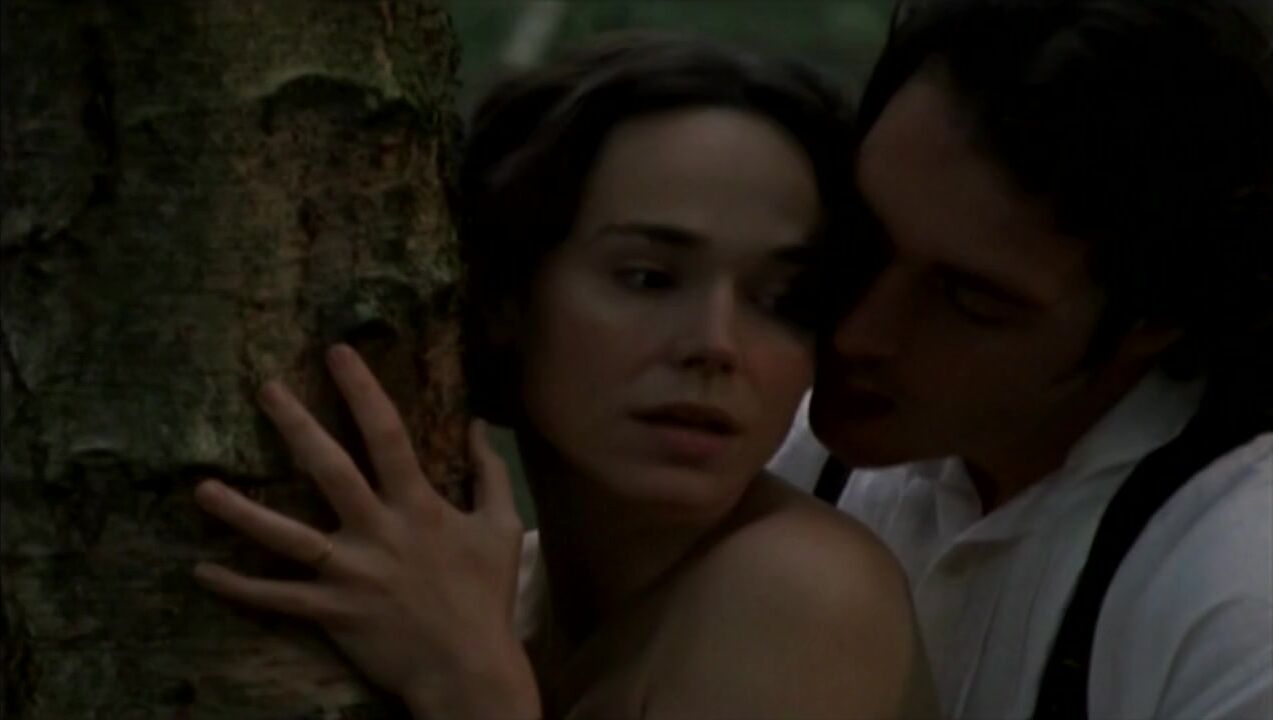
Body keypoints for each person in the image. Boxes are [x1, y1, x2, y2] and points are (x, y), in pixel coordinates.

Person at [192, 34, 937, 719]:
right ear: (508, 299)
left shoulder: (799, 590)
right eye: (648, 278)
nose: (716, 346)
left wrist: (469, 683)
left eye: (781, 301)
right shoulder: (489, 592)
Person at [769, 0, 1273, 717]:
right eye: (862, 237)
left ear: (1153, 319)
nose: (856, 333)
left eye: (970, 301)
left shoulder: (1235, 598)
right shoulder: (788, 449)